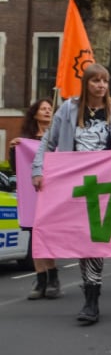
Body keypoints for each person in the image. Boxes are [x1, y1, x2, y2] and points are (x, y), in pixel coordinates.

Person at [32, 64, 111, 324]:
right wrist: (38, 169)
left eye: (105, 81)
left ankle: (92, 298)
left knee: (95, 240)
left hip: (105, 183)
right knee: (83, 240)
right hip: (74, 183)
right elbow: (49, 142)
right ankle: (87, 291)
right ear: (86, 83)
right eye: (96, 81)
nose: (101, 85)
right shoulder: (68, 109)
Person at [9, 99, 59, 300]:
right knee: (36, 235)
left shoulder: (58, 137)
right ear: (34, 114)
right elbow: (18, 168)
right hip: (32, 192)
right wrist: (14, 150)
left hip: (53, 191)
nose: (47, 111)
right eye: (43, 109)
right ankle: (41, 279)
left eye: (50, 109)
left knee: (48, 235)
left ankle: (53, 275)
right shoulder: (26, 140)